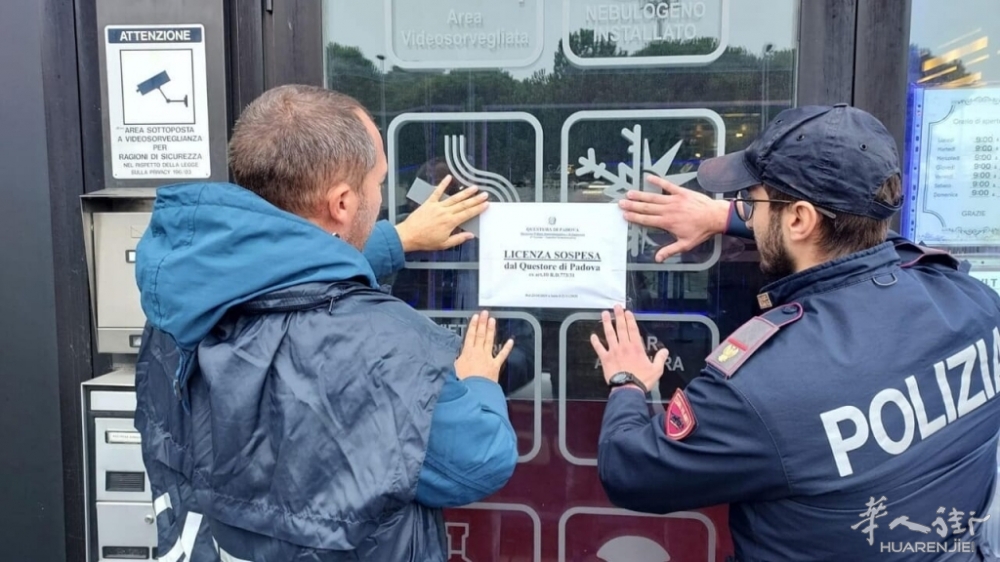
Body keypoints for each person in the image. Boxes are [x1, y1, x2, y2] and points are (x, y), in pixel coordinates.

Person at [595, 104, 1000, 561]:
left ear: (800, 220)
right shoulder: (972, 303)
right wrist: (728, 217)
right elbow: (880, 251)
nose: (746, 210)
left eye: (751, 201)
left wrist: (627, 381)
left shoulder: (763, 387)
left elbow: (630, 470)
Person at [132, 84, 518, 562]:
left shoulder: (174, 307)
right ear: (341, 202)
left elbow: (277, 277)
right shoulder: (384, 346)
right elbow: (478, 459)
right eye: (377, 183)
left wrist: (396, 239)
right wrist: (479, 381)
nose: (380, 195)